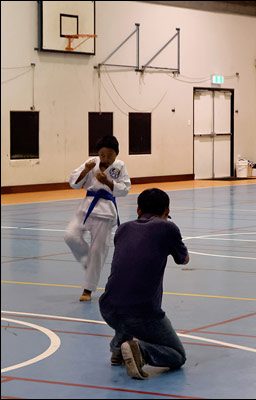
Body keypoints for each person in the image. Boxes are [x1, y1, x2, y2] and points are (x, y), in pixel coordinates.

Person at [99, 188, 189, 379]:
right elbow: (183, 259)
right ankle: (140, 351)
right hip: (141, 313)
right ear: (166, 211)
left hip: (108, 308)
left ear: (138, 210)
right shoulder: (167, 228)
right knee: (178, 356)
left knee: (124, 303)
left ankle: (118, 348)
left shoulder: (123, 229)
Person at [64, 135, 130, 302]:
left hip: (105, 212)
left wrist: (108, 182)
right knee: (70, 236)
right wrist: (86, 170)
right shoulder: (91, 162)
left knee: (98, 251)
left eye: (109, 155)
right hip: (86, 208)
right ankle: (87, 261)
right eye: (102, 155)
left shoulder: (119, 166)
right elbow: (73, 183)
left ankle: (88, 289)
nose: (105, 158)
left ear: (116, 154)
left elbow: (125, 189)